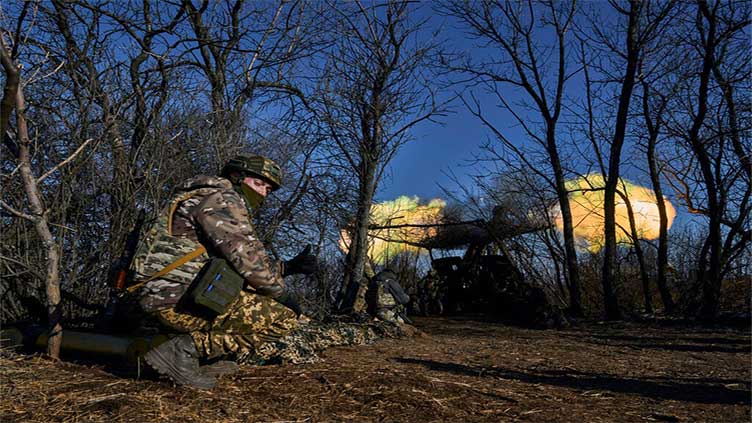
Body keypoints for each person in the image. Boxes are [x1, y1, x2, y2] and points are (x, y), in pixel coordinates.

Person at [130, 154, 317, 389]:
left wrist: (285, 268)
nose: (262, 193)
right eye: (258, 183)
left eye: (268, 189)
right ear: (236, 177)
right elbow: (247, 260)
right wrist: (283, 297)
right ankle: (185, 350)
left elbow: (226, 262)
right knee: (284, 318)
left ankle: (200, 355)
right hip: (176, 300)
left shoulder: (198, 196)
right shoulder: (222, 199)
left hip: (162, 294)